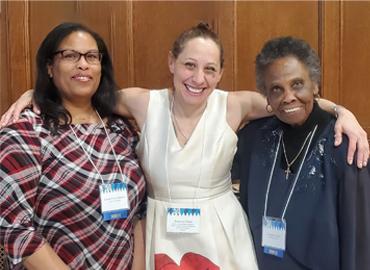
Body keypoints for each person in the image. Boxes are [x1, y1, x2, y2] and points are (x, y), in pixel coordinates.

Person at [1, 23, 369, 269]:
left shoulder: (234, 104)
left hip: (221, 229)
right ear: (172, 64)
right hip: (160, 229)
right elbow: (82, 90)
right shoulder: (143, 102)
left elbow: (290, 99)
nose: (198, 78)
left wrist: (342, 111)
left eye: (210, 69)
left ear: (221, 73)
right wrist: (36, 91)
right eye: (189, 65)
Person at [0, 22, 146, 270]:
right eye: (70, 55)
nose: (83, 64)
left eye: (91, 56)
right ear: (49, 67)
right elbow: (15, 226)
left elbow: (139, 213)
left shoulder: (121, 130)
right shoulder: (26, 132)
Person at [232, 36, 370, 269]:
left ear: (315, 84)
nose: (288, 97)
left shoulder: (344, 148)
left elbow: (358, 245)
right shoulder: (254, 140)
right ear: (266, 95)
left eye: (297, 84)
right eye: (276, 89)